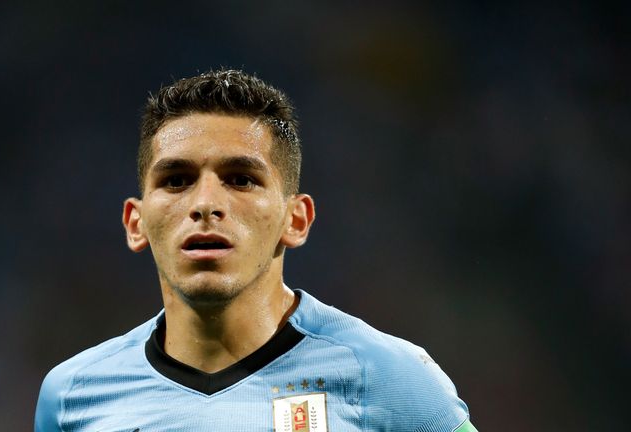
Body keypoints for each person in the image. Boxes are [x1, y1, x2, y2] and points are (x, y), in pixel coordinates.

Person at [34, 69, 478, 432]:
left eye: (240, 179)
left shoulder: (388, 377)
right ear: (136, 223)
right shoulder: (72, 396)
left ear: (295, 219)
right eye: (176, 180)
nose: (206, 204)